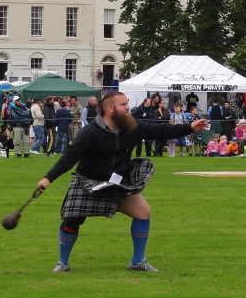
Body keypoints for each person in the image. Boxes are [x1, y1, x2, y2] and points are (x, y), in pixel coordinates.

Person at [36, 91, 209, 273]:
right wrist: (48, 178)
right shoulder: (90, 132)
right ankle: (63, 263)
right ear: (110, 108)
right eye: (123, 105)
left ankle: (138, 261)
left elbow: (160, 130)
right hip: (88, 182)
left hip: (117, 182)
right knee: (72, 219)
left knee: (143, 212)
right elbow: (70, 157)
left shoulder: (132, 127)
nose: (128, 108)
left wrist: (191, 127)